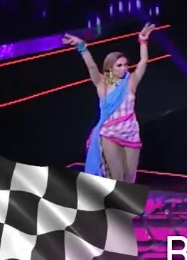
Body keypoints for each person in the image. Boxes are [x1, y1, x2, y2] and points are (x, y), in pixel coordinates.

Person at [62, 23, 156, 182]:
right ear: (110, 68)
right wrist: (82, 48)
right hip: (109, 133)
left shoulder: (131, 81)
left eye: (125, 64)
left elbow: (143, 62)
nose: (124, 68)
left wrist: (143, 41)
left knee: (129, 179)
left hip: (130, 131)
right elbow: (92, 67)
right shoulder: (103, 83)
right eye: (119, 65)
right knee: (117, 177)